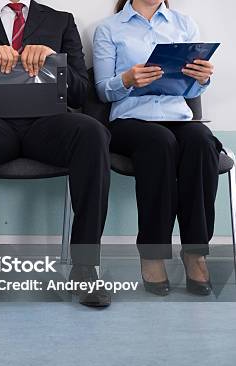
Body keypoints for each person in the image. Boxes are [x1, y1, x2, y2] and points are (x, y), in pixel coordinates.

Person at [0, 0, 112, 307]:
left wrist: (52, 60)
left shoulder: (61, 20)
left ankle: (85, 268)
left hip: (47, 125)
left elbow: (81, 92)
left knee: (92, 133)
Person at [93, 0, 220, 296]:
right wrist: (126, 80)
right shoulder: (109, 29)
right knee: (159, 142)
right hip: (130, 121)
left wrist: (203, 79)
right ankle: (152, 253)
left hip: (177, 116)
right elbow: (101, 89)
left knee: (201, 141)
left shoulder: (184, 25)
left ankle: (195, 252)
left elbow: (195, 88)